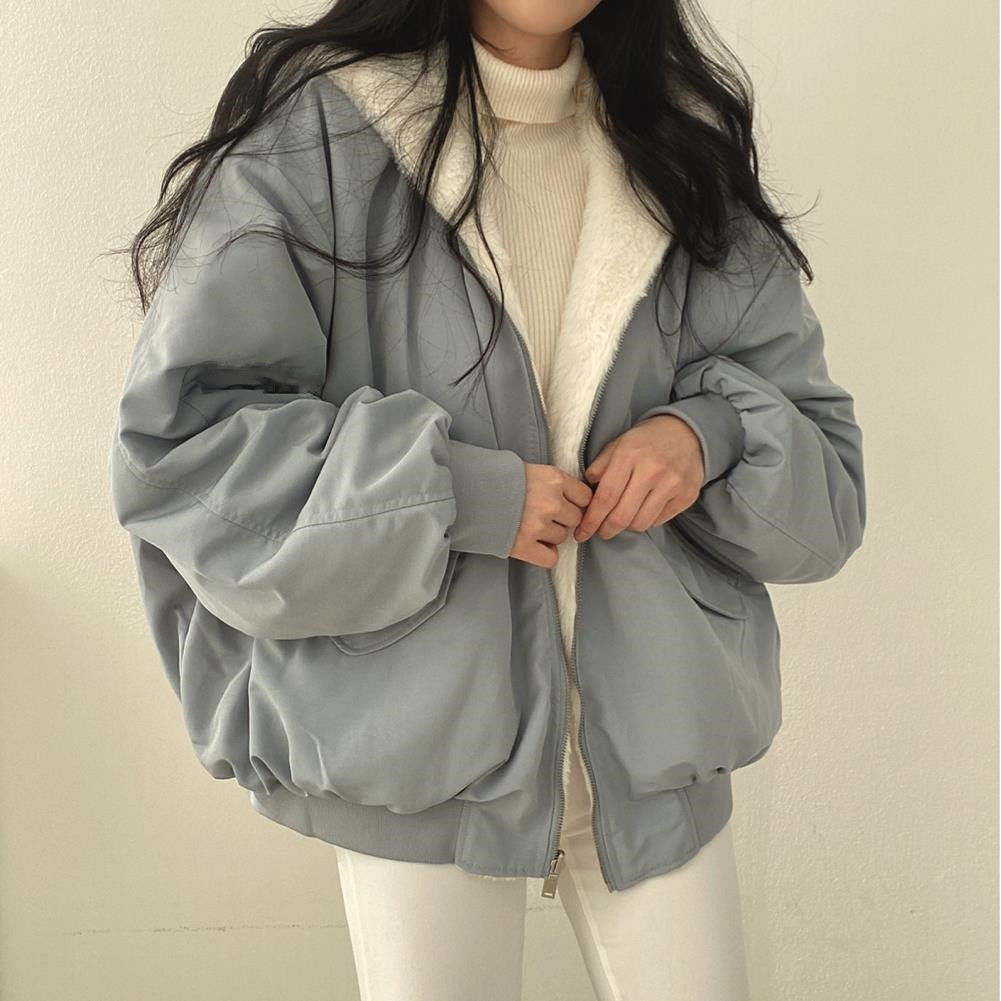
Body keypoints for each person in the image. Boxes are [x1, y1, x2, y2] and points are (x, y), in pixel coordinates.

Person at [109, 1, 867, 998]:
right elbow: (188, 451)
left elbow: (826, 488)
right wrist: (454, 495)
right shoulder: (325, 135)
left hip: (657, 746)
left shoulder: (679, 146)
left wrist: (708, 435)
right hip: (412, 748)